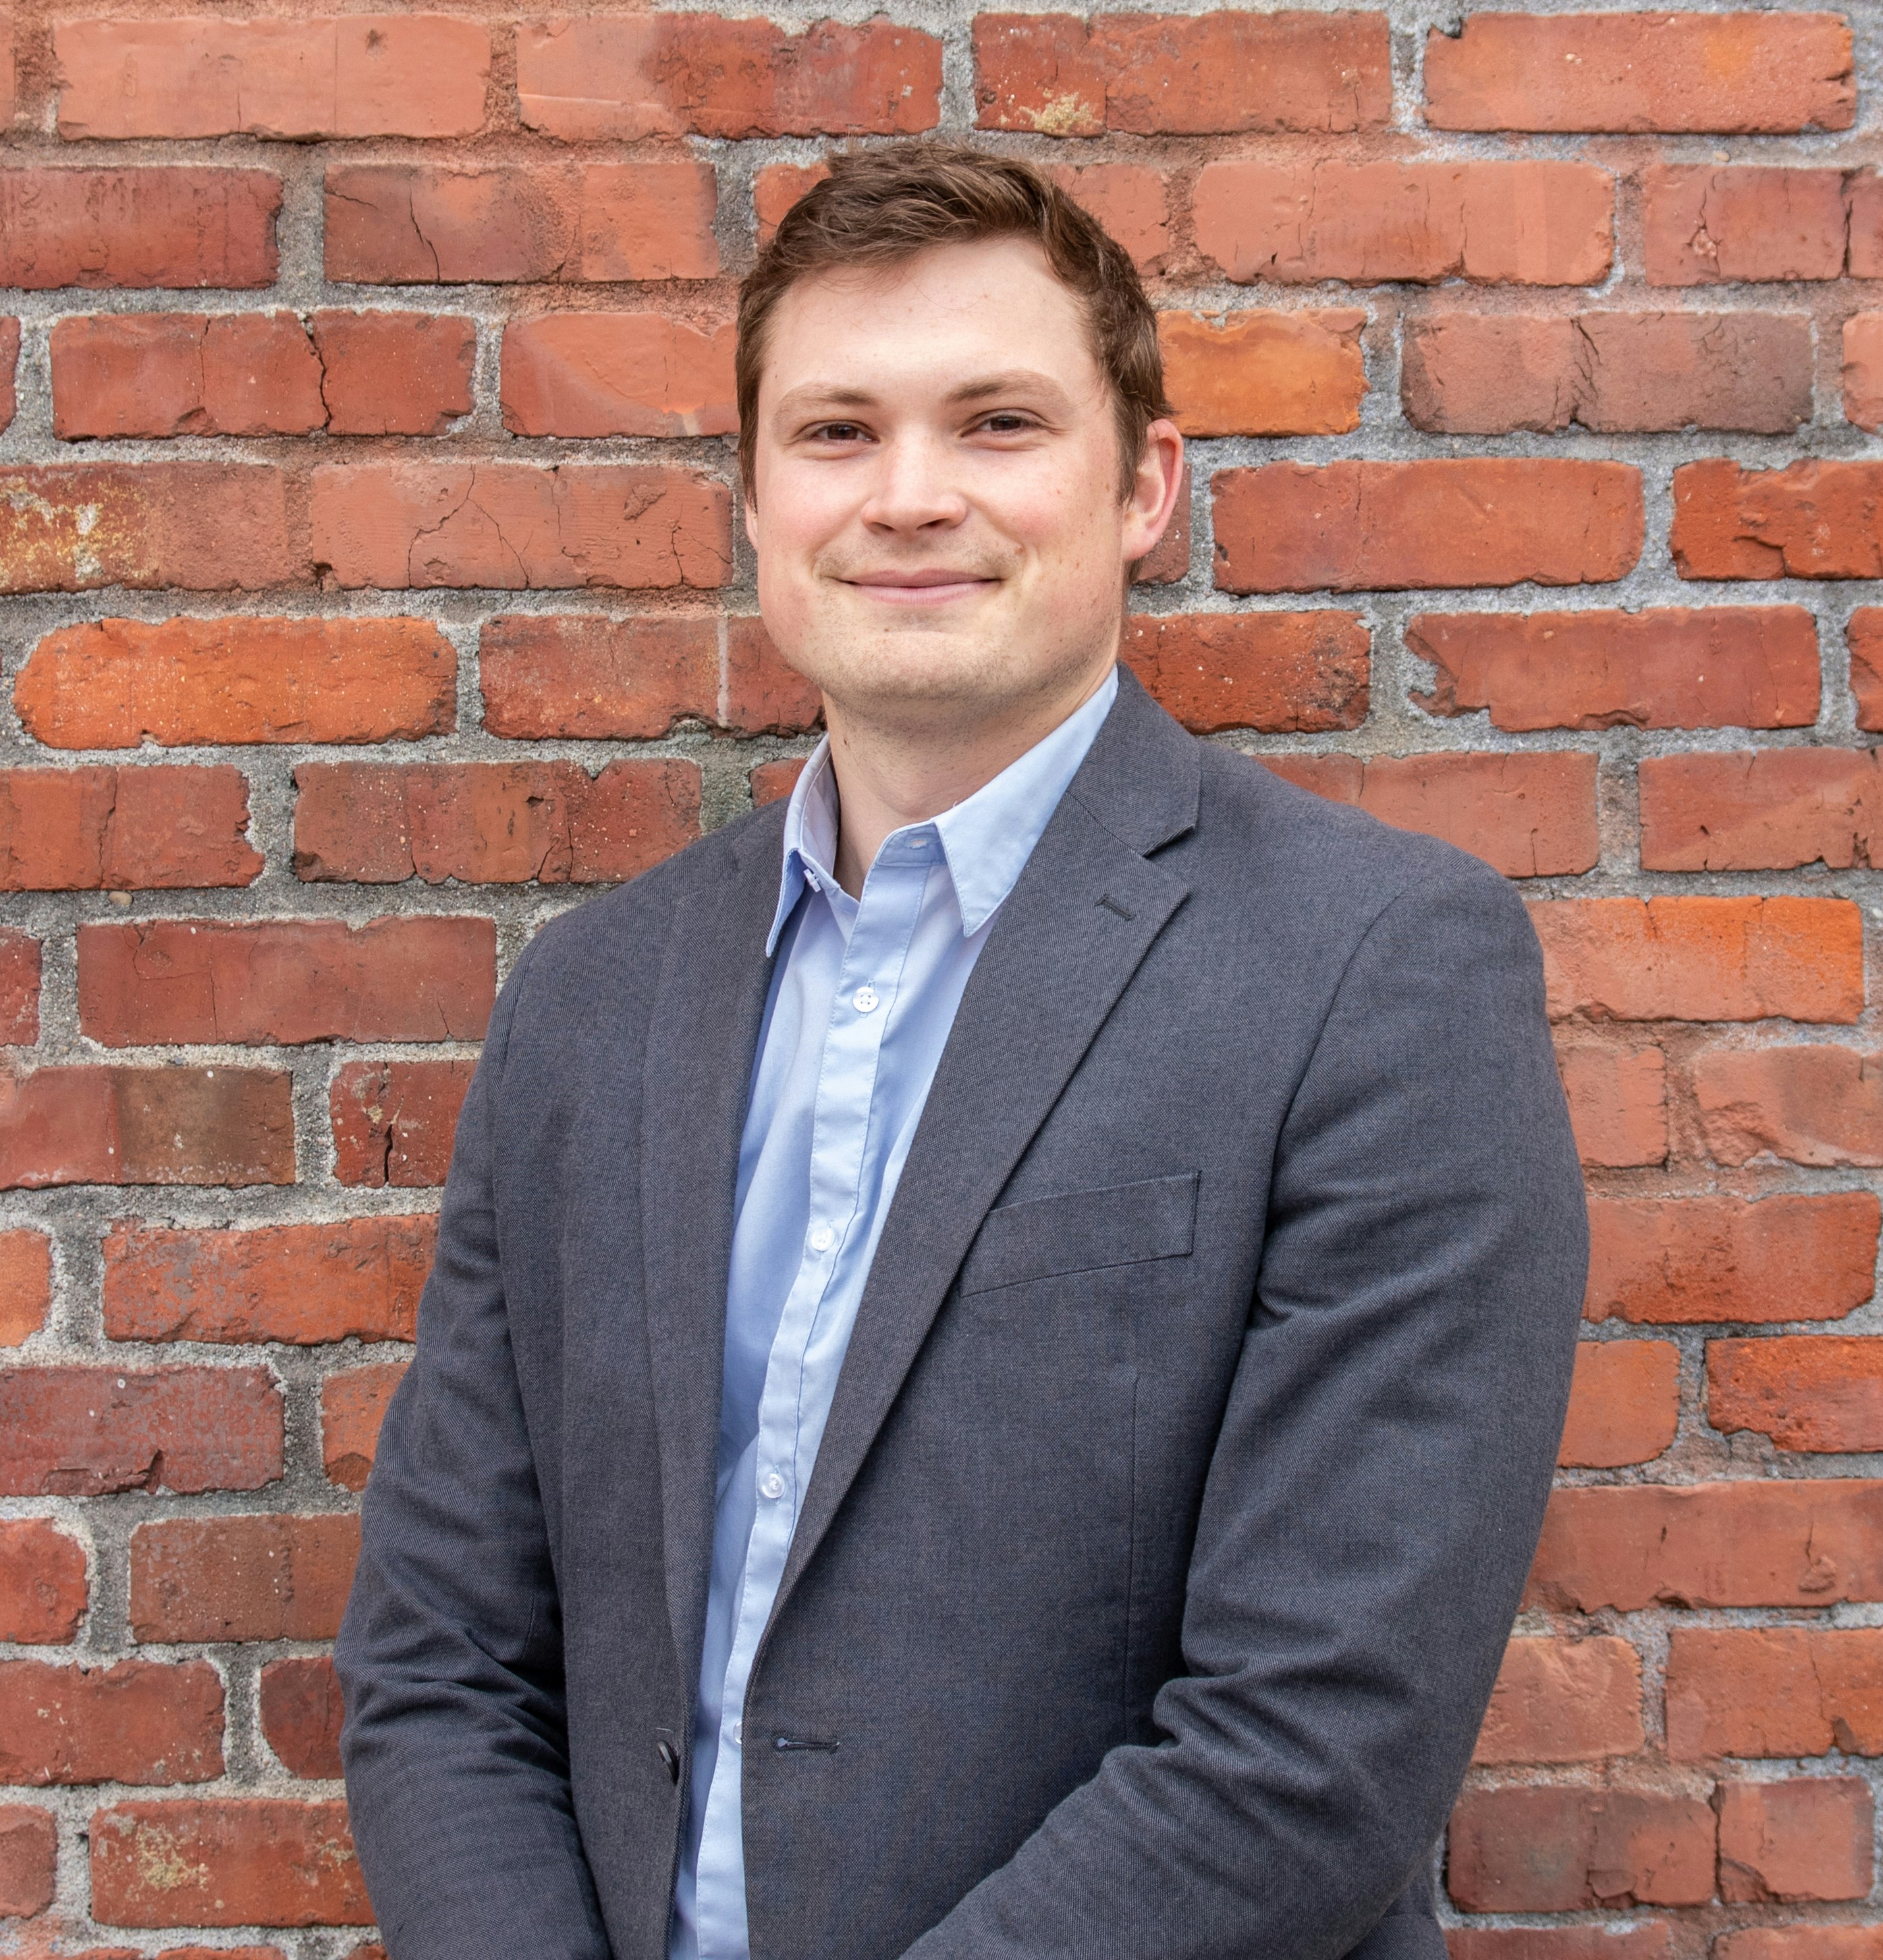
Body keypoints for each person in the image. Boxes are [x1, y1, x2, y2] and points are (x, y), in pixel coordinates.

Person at [335, 142, 1589, 1960]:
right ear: (754, 497)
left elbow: (1322, 1741)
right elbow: (442, 1663)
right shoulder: (592, 1004)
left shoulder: (1376, 968)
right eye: (836, 433)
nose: (909, 497)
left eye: (998, 423)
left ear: (1145, 485)